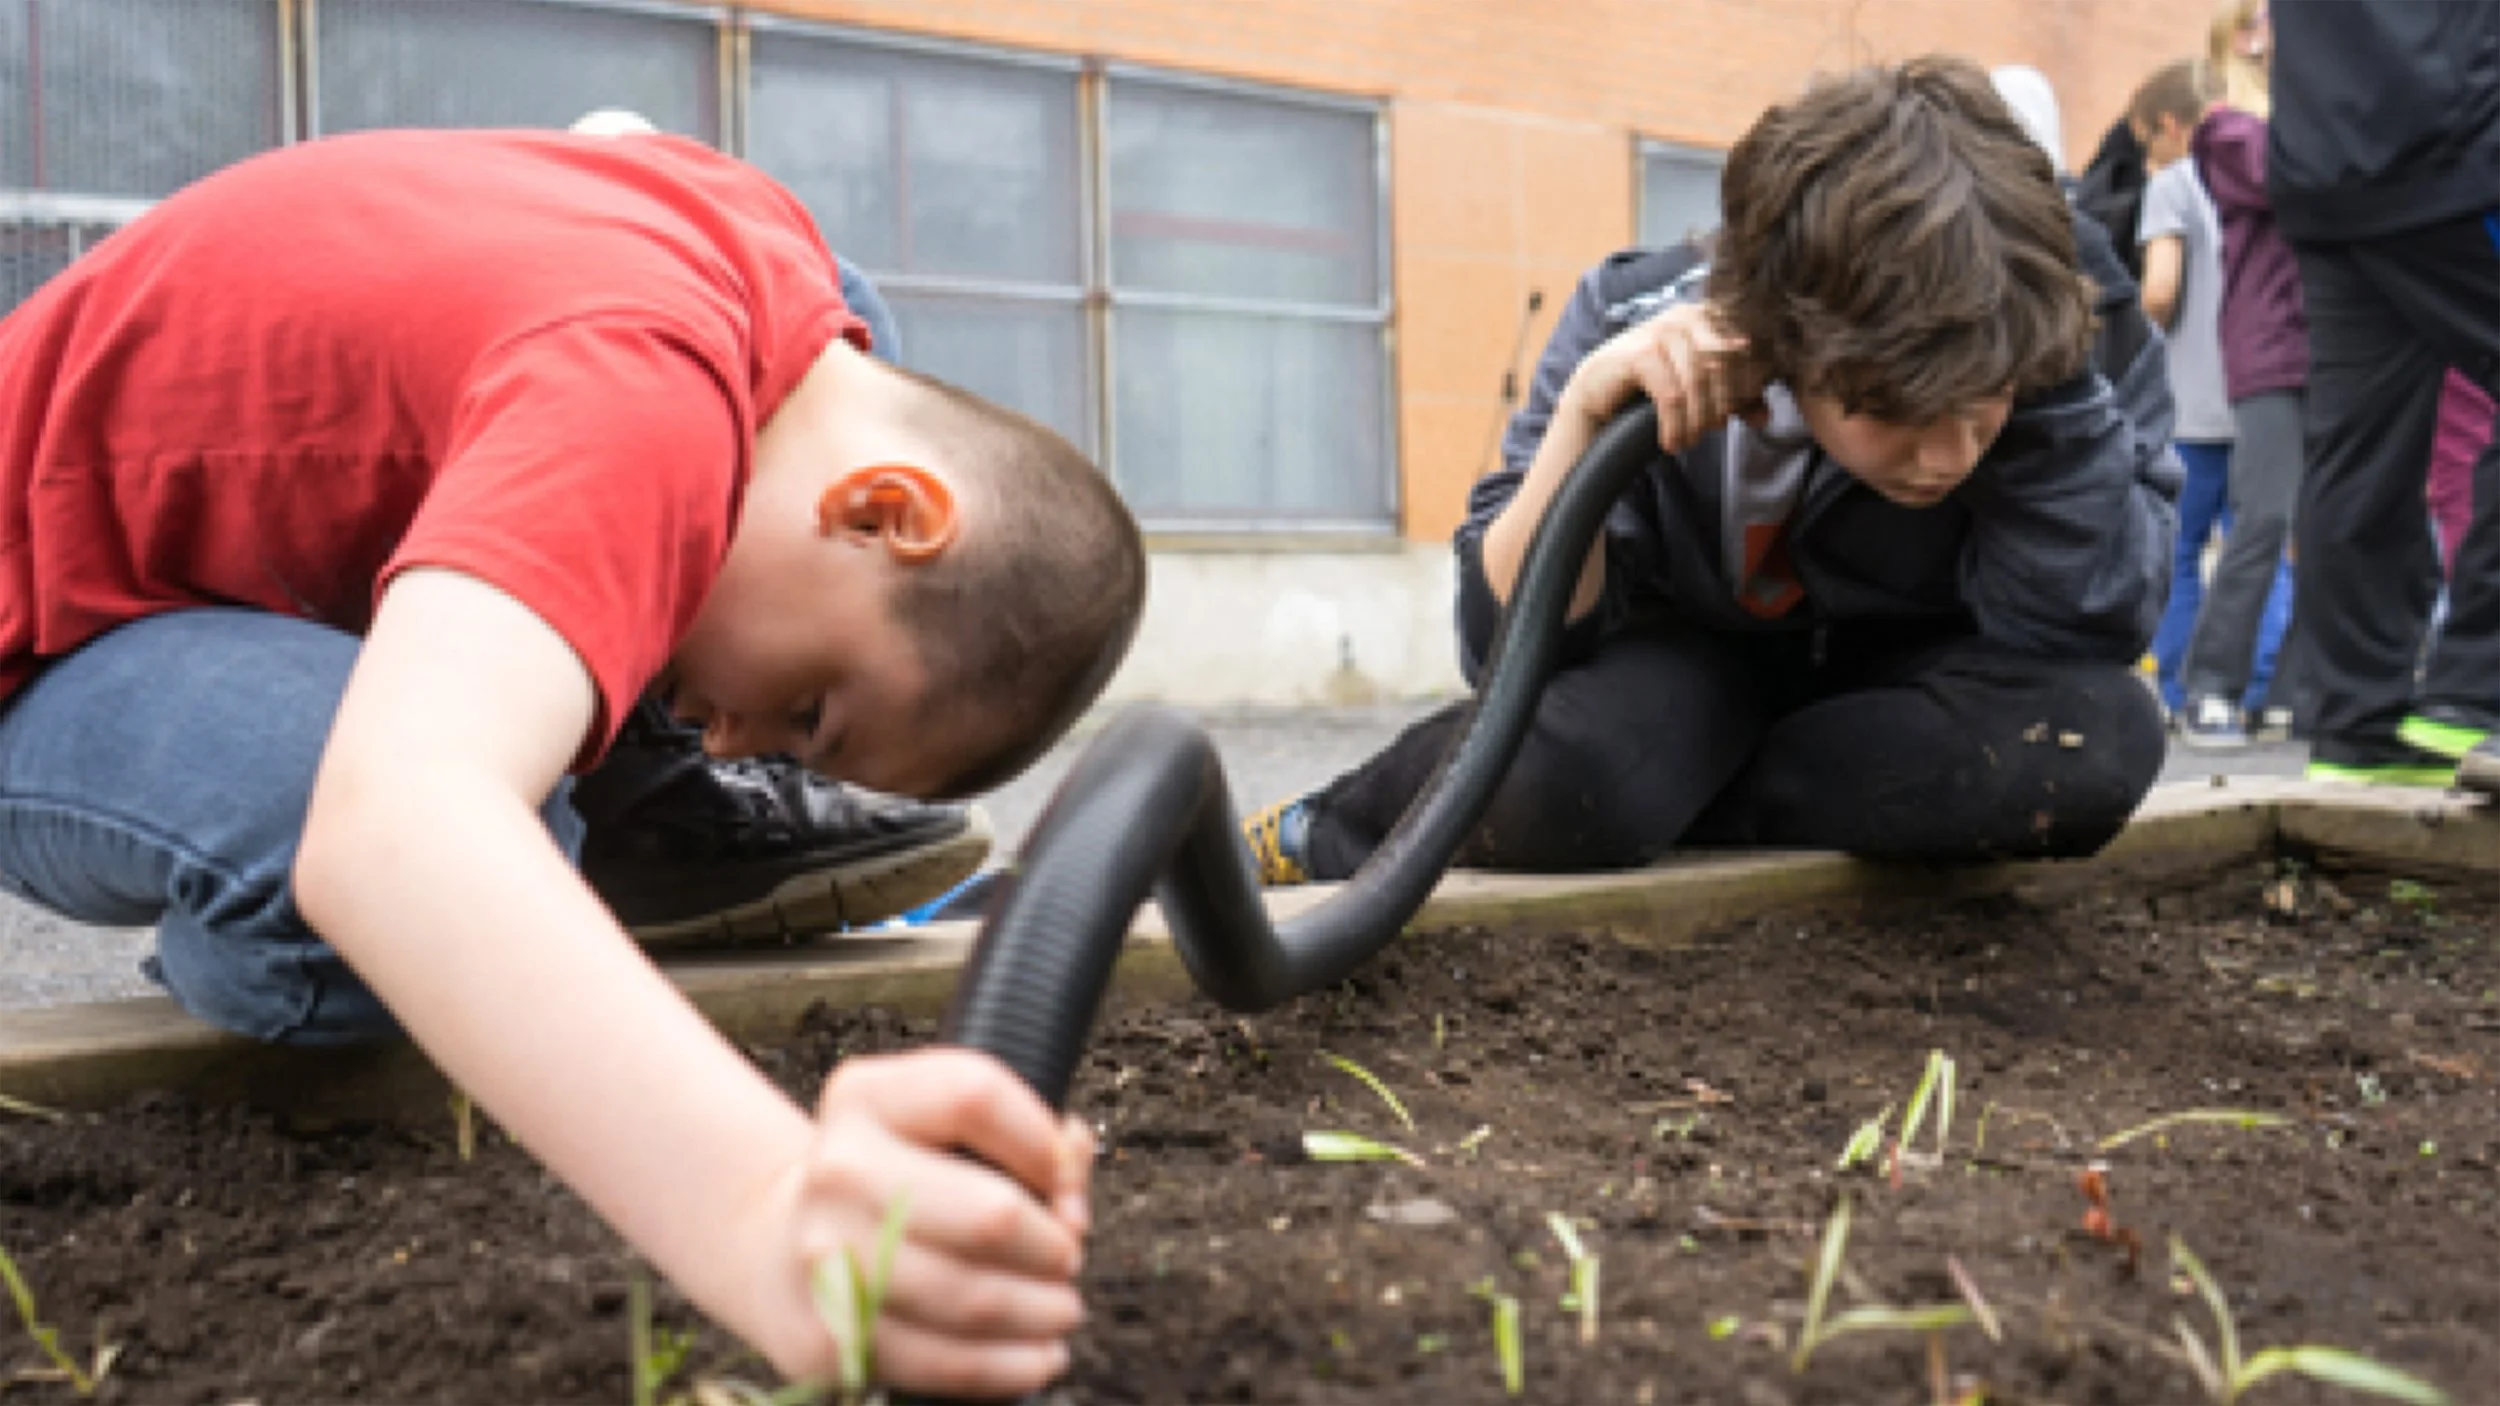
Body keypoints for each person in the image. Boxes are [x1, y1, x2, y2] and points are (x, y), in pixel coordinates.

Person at [0, 127, 1148, 1396]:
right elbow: (391, 830)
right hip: (45, 641)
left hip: (296, 504)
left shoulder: (746, 257)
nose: (728, 740)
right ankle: (526, 857)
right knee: (357, 858)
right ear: (884, 510)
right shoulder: (634, 396)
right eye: (812, 714)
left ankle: (611, 811)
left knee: (845, 316)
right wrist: (770, 1209)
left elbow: (614, 136)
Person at [1244, 57, 2174, 885]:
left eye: (1983, 409)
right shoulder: (1637, 313)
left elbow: (2086, 617)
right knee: (1564, 771)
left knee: (2091, 742)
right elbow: (1503, 650)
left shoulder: (2065, 317)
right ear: (1788, 338)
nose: (1948, 457)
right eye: (1890, 412)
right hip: (1683, 673)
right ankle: (1321, 831)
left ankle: (1679, 800)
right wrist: (1584, 430)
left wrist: (2042, 378)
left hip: (1915, 679)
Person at [2269, 0, 2500, 797]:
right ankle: (2481, 692)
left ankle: (2358, 726)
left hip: (2326, 159)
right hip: (2457, 150)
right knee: (2360, 447)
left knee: (2360, 444)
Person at [2130, 59, 2293, 733]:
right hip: (2269, 387)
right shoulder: (2277, 168)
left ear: (2171, 125)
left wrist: (2140, 342)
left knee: (2182, 547)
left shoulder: (2174, 181)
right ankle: (2262, 691)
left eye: (2147, 141)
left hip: (2193, 399)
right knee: (2264, 542)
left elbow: (2161, 287)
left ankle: (2178, 690)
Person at [2171, 0, 2309, 752]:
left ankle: (2293, 691)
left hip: (2336, 350)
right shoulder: (2226, 133)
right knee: (2259, 522)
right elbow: (2290, 178)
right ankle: (2211, 689)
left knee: (2330, 528)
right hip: (2269, 351)